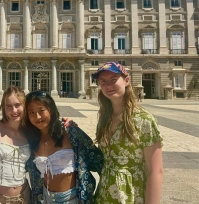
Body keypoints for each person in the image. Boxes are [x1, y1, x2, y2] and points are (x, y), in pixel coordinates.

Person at [91, 62, 163, 203]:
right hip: (104, 195)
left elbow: (156, 171)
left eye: (113, 80)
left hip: (131, 196)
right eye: (103, 82)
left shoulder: (144, 120)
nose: (108, 86)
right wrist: (72, 130)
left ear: (127, 80)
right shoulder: (104, 118)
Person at [24, 91, 104, 204]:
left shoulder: (70, 131)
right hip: (45, 199)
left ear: (50, 109)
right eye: (31, 112)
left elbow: (98, 160)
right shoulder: (30, 138)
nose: (37, 116)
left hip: (72, 199)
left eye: (41, 110)